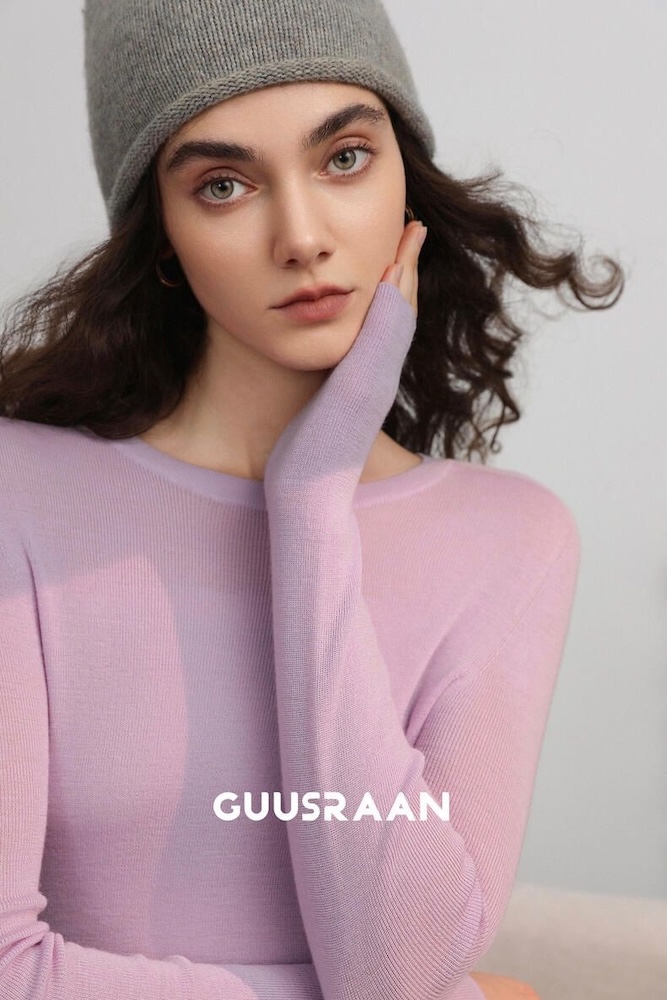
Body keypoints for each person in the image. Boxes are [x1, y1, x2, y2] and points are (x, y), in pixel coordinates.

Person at [0, 2, 625, 1000]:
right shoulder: (20, 494)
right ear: (160, 235)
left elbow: (396, 971)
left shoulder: (510, 539)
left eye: (343, 159)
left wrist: (311, 501)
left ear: (404, 180)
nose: (301, 237)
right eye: (222, 184)